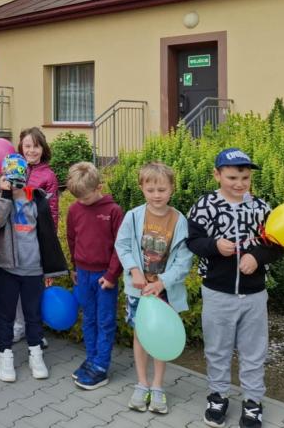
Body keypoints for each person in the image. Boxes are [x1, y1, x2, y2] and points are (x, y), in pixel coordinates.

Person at [187, 148, 283, 428]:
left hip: (254, 295)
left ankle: (253, 402)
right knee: (217, 349)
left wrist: (258, 257)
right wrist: (214, 245)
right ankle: (218, 396)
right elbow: (192, 241)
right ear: (217, 175)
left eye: (245, 177)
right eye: (232, 177)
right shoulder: (205, 205)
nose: (239, 184)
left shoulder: (261, 208)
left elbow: (278, 244)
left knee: (254, 351)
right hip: (217, 293)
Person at [116, 162, 193, 413]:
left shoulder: (179, 220)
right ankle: (142, 383)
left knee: (161, 336)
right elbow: (122, 245)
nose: (156, 195)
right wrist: (134, 270)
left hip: (164, 292)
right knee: (141, 335)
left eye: (162, 189)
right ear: (142, 188)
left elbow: (184, 260)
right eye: (151, 190)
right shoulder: (133, 216)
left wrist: (162, 282)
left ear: (172, 189)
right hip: (138, 290)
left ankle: (158, 386)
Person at [0, 153, 67, 383]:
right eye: (10, 180)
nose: (14, 185)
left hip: (33, 269)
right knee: (5, 314)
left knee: (33, 314)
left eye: (18, 180)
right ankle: (5, 354)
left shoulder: (37, 199)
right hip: (7, 268)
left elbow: (47, 234)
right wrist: (4, 195)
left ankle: (35, 353)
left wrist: (49, 269)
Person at [64, 161, 124, 390]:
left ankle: (101, 366)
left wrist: (111, 275)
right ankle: (91, 359)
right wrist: (74, 267)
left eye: (86, 197)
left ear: (99, 187)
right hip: (83, 273)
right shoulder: (74, 209)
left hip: (104, 277)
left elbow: (121, 246)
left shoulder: (113, 211)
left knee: (104, 320)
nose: (82, 201)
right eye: (78, 198)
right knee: (88, 318)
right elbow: (72, 239)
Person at [12, 126, 59, 345]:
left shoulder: (48, 176)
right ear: (21, 147)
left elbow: (53, 212)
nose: (31, 150)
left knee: (35, 286)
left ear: (43, 148)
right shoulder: (14, 169)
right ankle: (19, 325)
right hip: (15, 237)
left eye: (36, 146)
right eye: (27, 146)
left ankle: (36, 329)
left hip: (36, 238)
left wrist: (49, 242)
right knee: (16, 284)